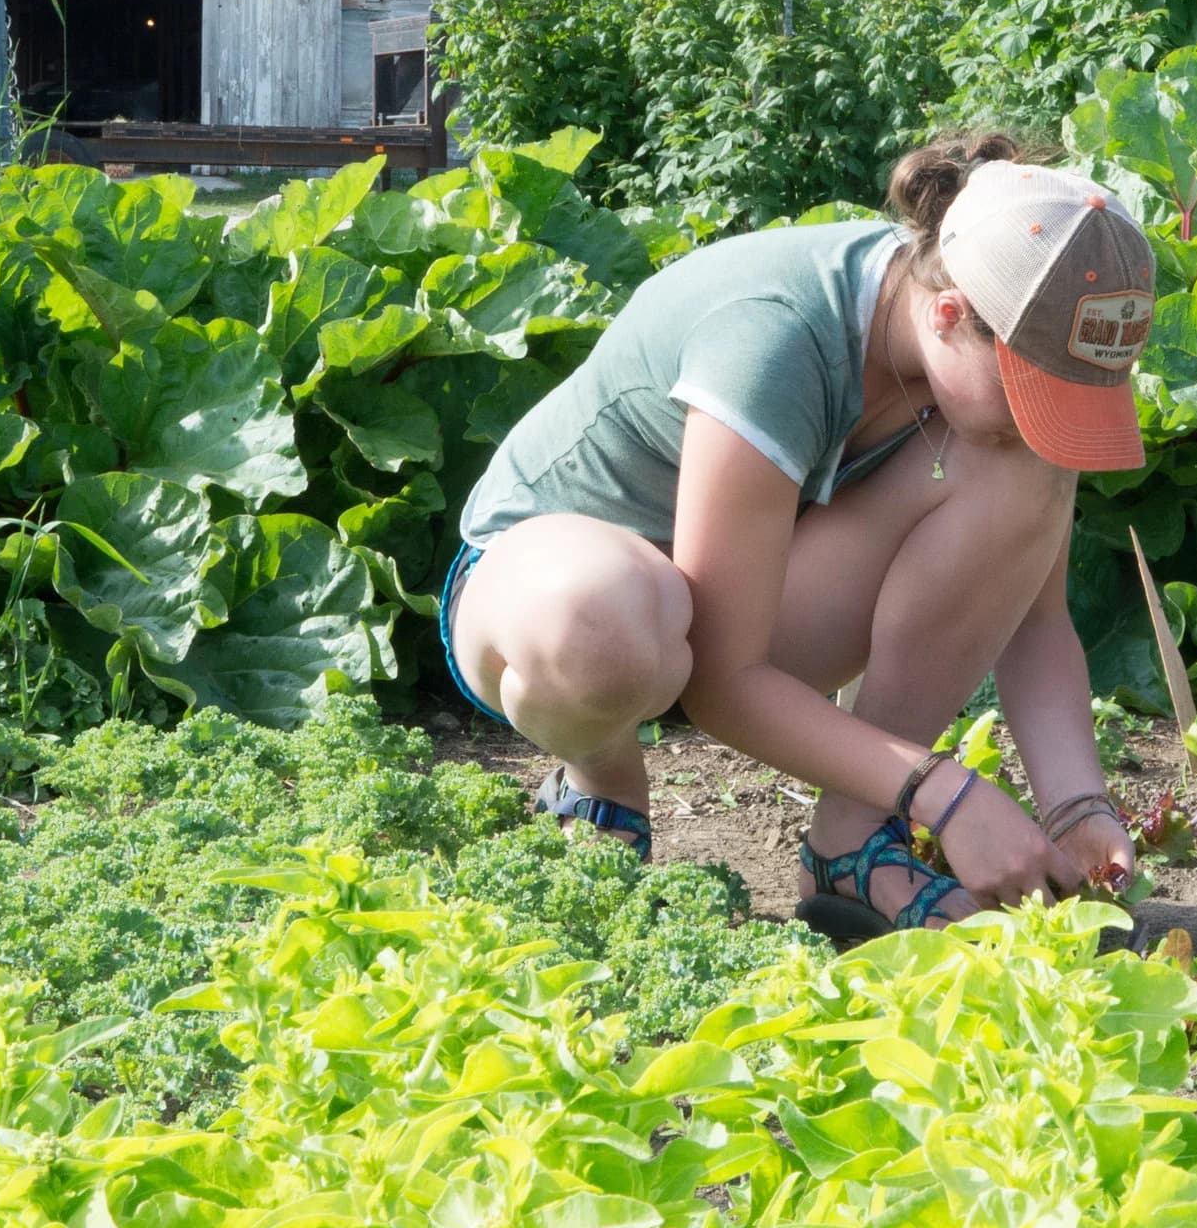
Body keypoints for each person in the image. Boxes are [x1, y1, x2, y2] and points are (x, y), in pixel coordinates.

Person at [439, 134, 1153, 938]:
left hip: (727, 607)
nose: (1041, 422)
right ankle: (600, 778)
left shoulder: (949, 322)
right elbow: (721, 683)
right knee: (604, 622)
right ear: (949, 316)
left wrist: (1076, 806)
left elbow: (1036, 619)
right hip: (542, 600)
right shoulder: (774, 339)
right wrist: (944, 792)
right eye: (1032, 392)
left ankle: (851, 842)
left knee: (1025, 471)